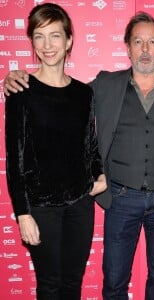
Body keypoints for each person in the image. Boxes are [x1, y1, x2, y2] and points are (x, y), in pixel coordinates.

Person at [4, 11, 154, 300]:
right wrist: (13, 76)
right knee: (114, 279)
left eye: (152, 42)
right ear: (127, 47)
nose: (145, 49)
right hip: (121, 199)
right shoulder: (104, 86)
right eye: (137, 42)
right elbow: (60, 98)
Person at [5, 3, 107, 300]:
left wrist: (98, 173)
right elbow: (16, 158)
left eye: (55, 36)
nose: (47, 45)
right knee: (49, 286)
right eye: (39, 36)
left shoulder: (82, 93)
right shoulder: (21, 91)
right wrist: (23, 214)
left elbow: (91, 143)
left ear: (69, 41)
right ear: (32, 42)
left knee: (72, 284)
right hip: (40, 207)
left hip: (80, 205)